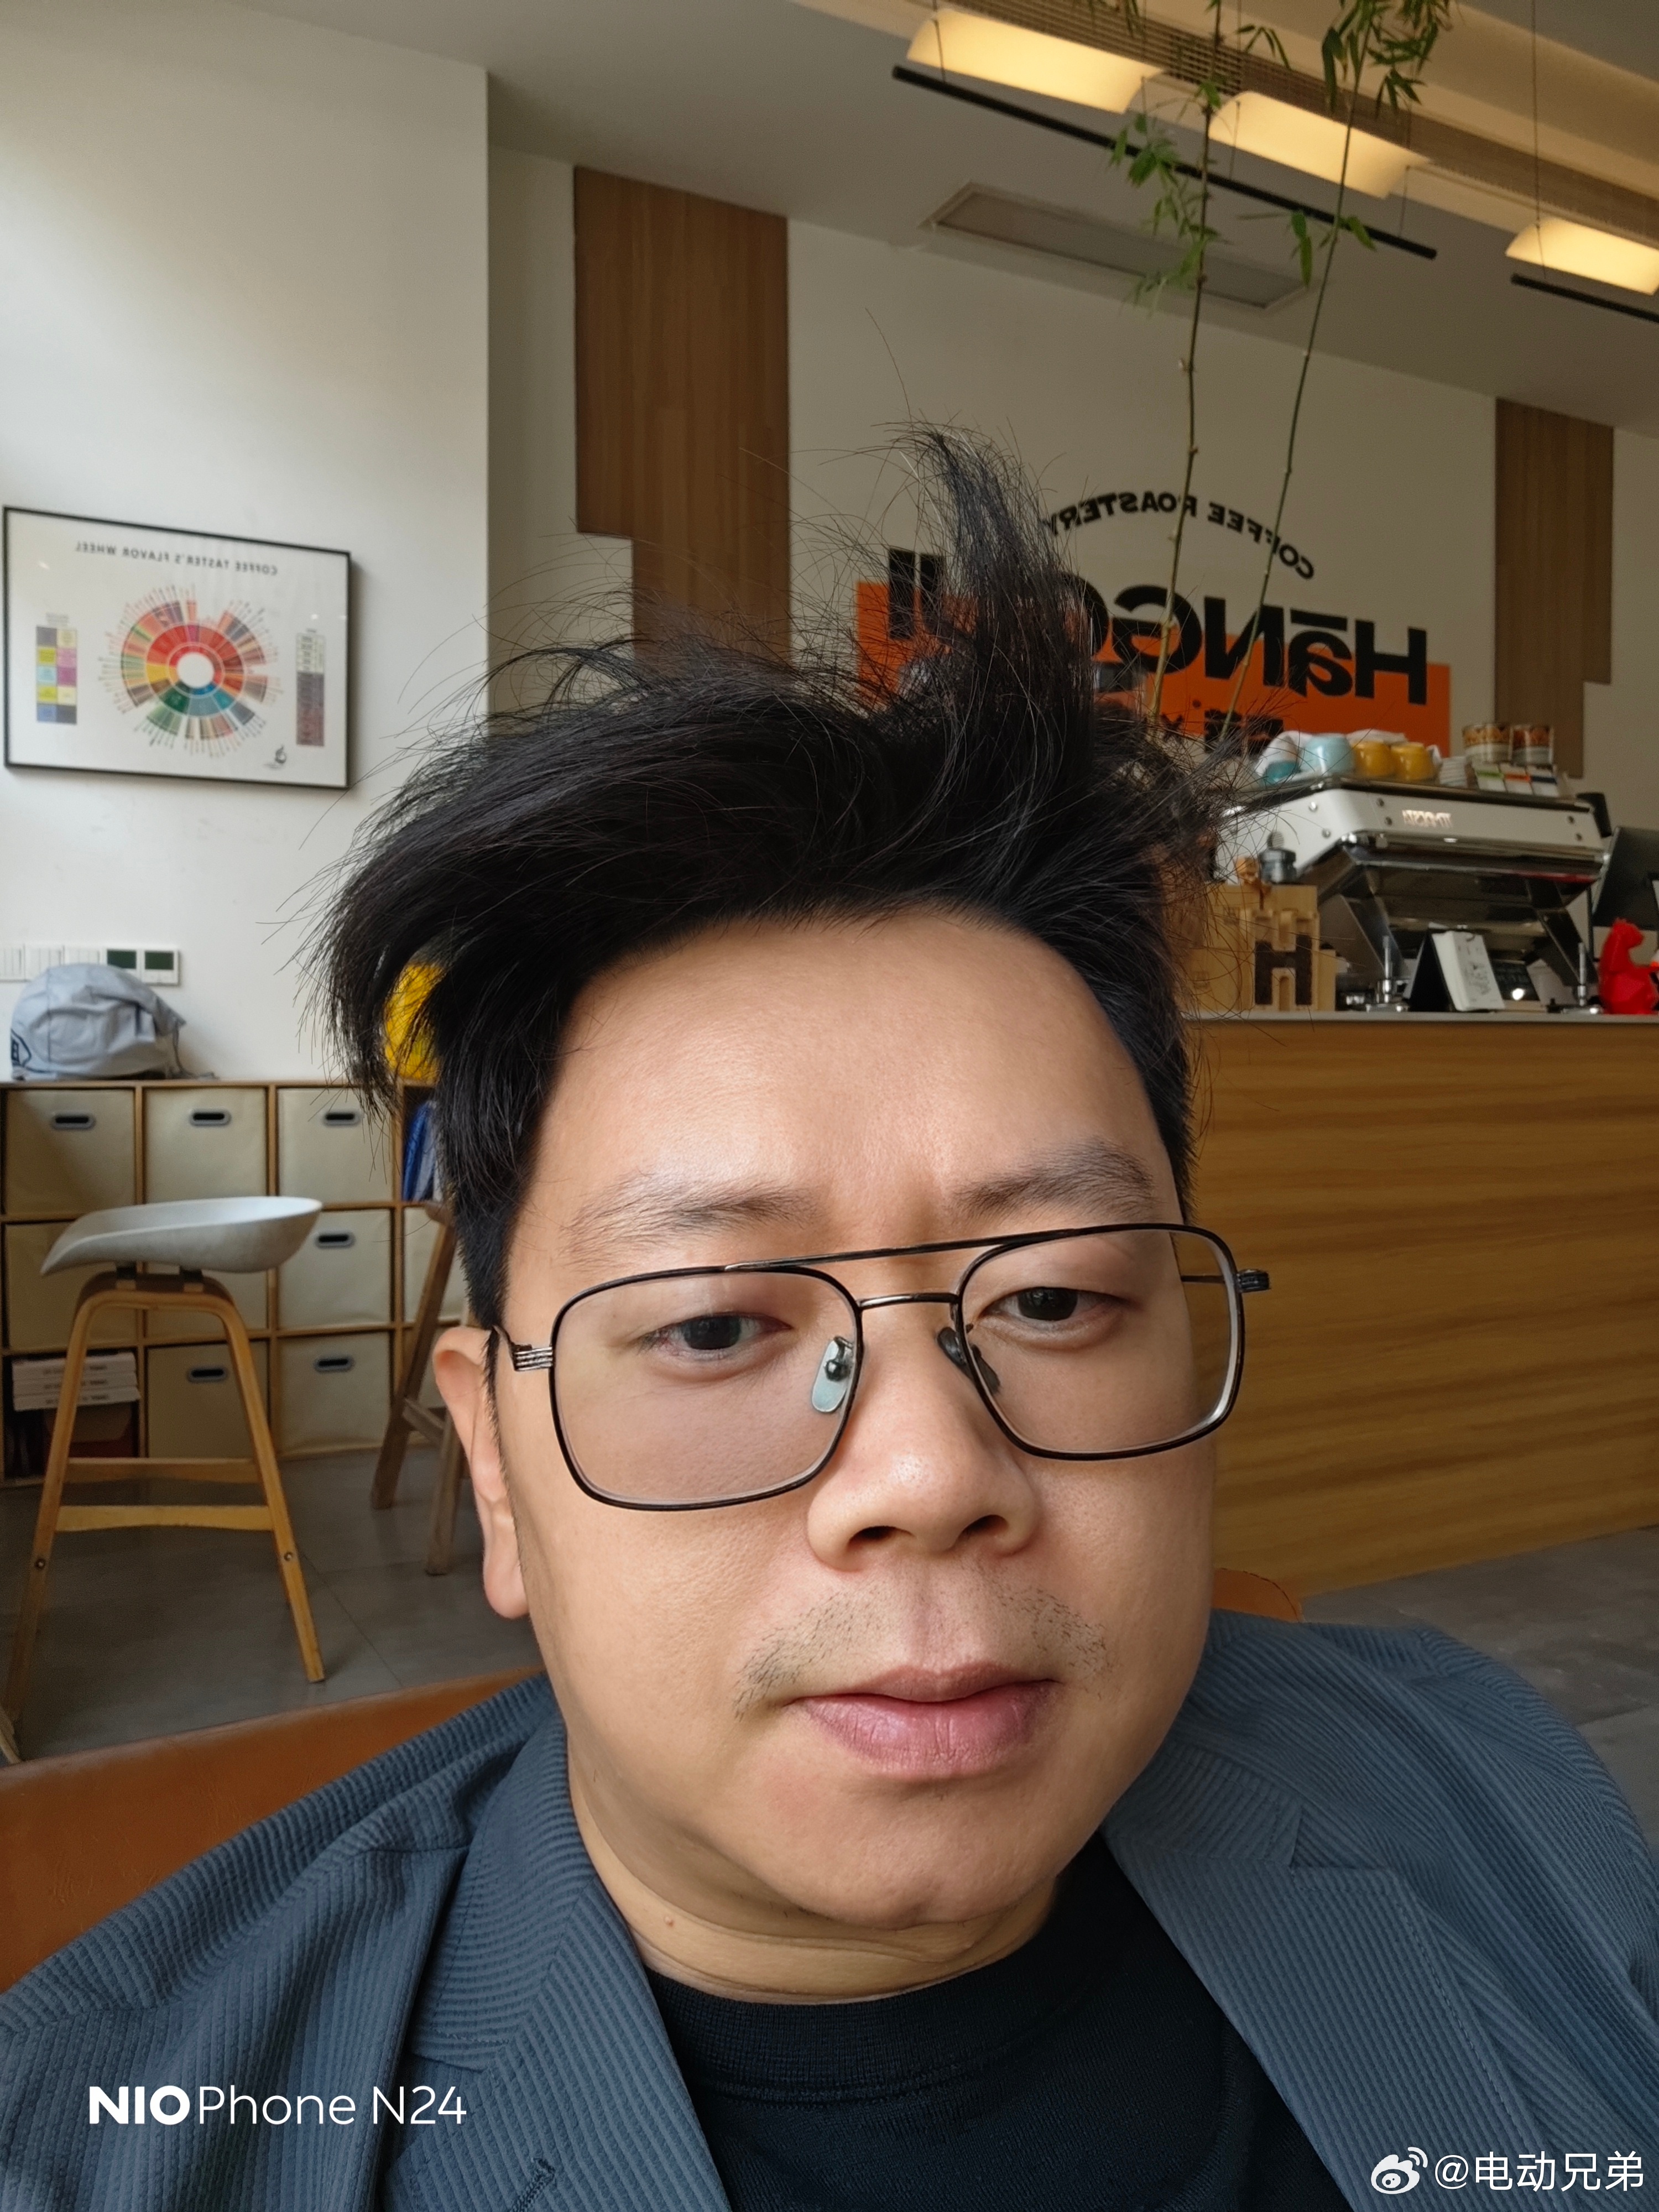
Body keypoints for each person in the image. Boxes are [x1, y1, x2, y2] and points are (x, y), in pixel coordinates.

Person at [1, 438, 1653, 2212]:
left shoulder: (1488, 1785)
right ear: (496, 1464)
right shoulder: (113, 2148)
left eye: (1052, 1296)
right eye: (716, 1330)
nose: (930, 1474)